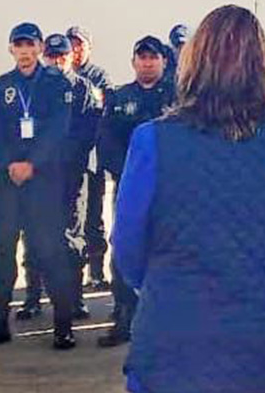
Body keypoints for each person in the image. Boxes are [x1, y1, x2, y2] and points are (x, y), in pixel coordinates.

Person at [113, 5, 265, 393]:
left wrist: (169, 280)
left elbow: (128, 246)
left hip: (175, 335)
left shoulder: (153, 139)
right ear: (264, 66)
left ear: (193, 62)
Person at [0, 22, 80, 351]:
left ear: (40, 47)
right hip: (9, 183)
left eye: (30, 45)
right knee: (3, 253)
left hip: (43, 181)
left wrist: (33, 163)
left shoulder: (56, 83)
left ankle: (63, 327)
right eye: (19, 45)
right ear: (11, 49)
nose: (25, 52)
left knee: (50, 252)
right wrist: (7, 165)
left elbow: (59, 129)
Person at [95, 35, 175, 348]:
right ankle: (124, 314)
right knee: (125, 246)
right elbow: (106, 140)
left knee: (168, 249)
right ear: (133, 62)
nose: (147, 62)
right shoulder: (119, 97)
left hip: (170, 188)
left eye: (153, 57)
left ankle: (167, 318)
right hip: (130, 186)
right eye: (141, 57)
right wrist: (128, 172)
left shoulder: (179, 97)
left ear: (164, 62)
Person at [14, 34, 98, 321]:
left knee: (72, 238)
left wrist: (59, 155)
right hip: (39, 177)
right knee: (34, 237)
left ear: (72, 57)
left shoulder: (84, 89)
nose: (56, 61)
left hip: (72, 176)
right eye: (51, 56)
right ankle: (33, 297)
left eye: (62, 56)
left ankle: (74, 298)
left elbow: (88, 133)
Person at [67, 25, 114, 291]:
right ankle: (73, 271)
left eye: (80, 44)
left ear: (88, 47)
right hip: (69, 160)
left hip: (93, 159)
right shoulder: (59, 74)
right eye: (71, 44)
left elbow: (103, 108)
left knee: (94, 216)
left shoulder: (98, 76)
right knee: (74, 218)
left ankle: (96, 272)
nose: (75, 49)